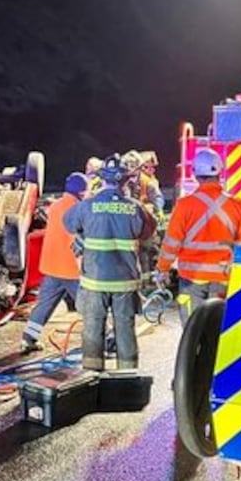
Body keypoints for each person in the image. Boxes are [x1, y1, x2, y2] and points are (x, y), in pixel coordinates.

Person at [64, 154, 157, 372]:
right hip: (124, 283)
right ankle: (128, 374)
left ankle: (92, 375)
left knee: (93, 328)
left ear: (102, 179)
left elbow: (68, 224)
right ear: (125, 181)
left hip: (94, 282)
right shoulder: (135, 208)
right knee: (125, 328)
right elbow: (148, 232)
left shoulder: (87, 206)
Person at [157, 148, 241, 325]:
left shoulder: (184, 205)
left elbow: (172, 242)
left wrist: (163, 268)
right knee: (217, 329)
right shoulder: (237, 205)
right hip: (223, 277)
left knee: (192, 329)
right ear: (220, 172)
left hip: (192, 278)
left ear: (195, 174)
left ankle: (193, 353)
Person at [21, 172, 88, 353]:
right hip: (71, 270)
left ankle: (28, 338)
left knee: (44, 305)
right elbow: (78, 242)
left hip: (52, 267)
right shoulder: (79, 209)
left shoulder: (56, 205)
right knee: (89, 307)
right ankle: (102, 340)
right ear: (82, 192)